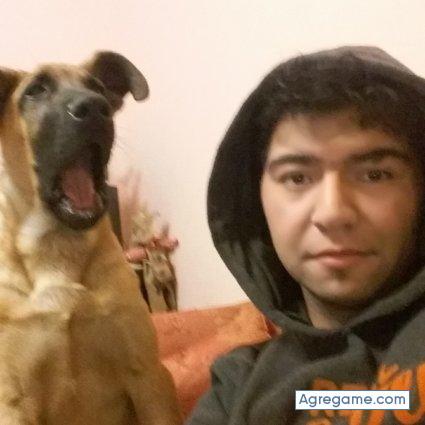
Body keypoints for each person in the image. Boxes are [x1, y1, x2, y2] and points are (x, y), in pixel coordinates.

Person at [186, 46, 425, 425]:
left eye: (375, 174)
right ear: (255, 203)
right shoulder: (237, 387)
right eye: (297, 177)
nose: (332, 213)